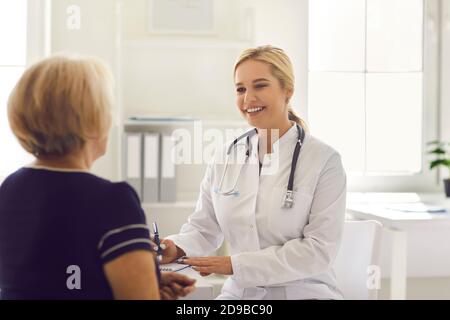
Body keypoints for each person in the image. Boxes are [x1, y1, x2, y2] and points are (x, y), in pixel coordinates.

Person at [0, 55, 195, 300]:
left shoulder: (9, 189)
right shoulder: (113, 201)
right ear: (92, 120)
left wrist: (147, 280)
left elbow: (48, 278)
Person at [160, 45, 347, 300]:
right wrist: (175, 247)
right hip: (240, 295)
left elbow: (318, 251)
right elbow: (204, 228)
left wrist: (235, 265)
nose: (248, 98)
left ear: (287, 90)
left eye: (260, 86)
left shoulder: (324, 161)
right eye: (240, 89)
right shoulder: (225, 156)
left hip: (303, 292)